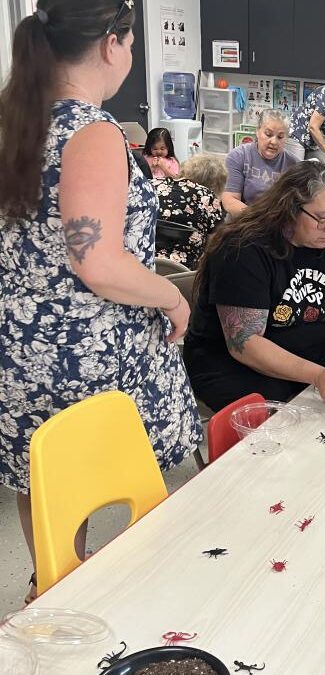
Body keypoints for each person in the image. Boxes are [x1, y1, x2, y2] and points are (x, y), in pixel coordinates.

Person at [0, 0, 202, 603]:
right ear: (112, 43)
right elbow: (98, 262)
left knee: (44, 477)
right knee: (102, 474)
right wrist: (172, 299)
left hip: (23, 346)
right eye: (132, 44)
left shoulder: (15, 121)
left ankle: (53, 583)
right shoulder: (91, 132)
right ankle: (86, 597)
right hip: (88, 349)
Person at [184, 162, 325, 410]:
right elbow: (245, 343)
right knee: (274, 399)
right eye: (323, 219)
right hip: (231, 359)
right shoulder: (243, 248)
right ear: (290, 209)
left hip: (310, 347)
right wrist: (316, 374)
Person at [153, 153, 227, 269]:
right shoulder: (208, 197)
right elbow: (215, 248)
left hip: (139, 265)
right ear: (217, 183)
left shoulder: (152, 184)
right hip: (182, 273)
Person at [221, 109, 299, 217]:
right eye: (268, 134)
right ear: (257, 131)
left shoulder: (293, 165)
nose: (274, 141)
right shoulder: (238, 156)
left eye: (280, 137)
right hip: (242, 220)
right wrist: (259, 220)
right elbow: (230, 200)